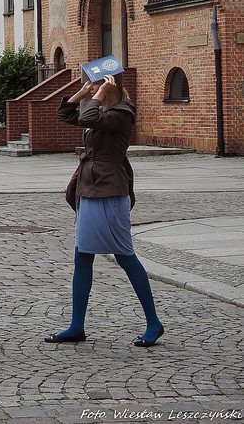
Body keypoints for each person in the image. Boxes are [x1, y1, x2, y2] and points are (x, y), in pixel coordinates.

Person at [45, 73, 164, 347]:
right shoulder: (101, 110)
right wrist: (80, 95)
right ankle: (76, 326)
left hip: (110, 189)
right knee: (82, 256)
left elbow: (88, 119)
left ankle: (154, 322)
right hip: (89, 188)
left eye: (97, 83)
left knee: (124, 256)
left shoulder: (122, 113)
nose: (92, 88)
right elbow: (65, 115)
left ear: (111, 86)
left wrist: (96, 97)